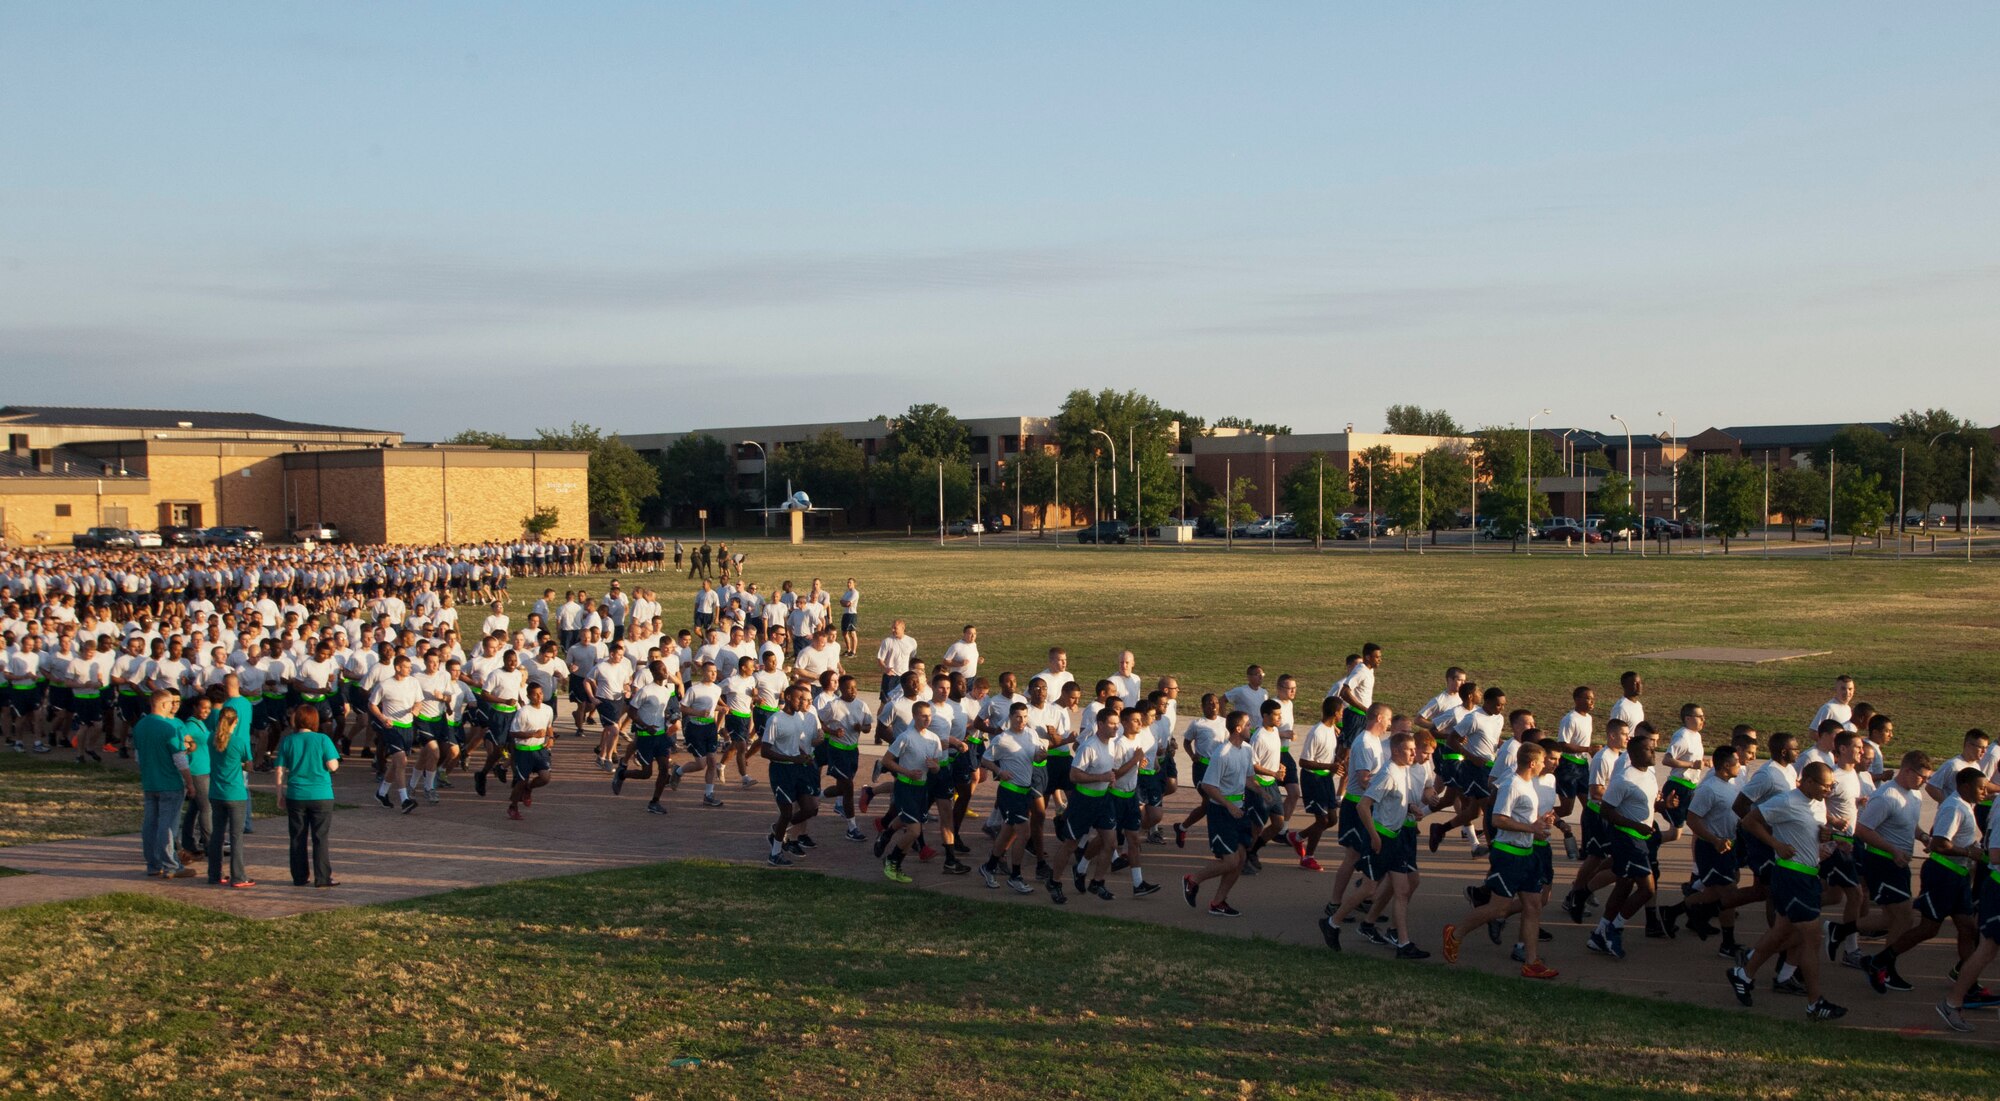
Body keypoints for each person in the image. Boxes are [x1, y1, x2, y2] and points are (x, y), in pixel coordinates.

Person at [1727, 761, 1846, 1020]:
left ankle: (1744, 973)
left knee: (1781, 931)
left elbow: (1808, 834)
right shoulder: (1786, 801)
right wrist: (1776, 844)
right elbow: (1749, 820)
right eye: (1825, 785)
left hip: (1808, 875)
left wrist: (1823, 838)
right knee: (1811, 939)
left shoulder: (1818, 803)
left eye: (1831, 785)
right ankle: (1815, 1003)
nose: (1829, 790)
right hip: (1791, 876)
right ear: (1809, 782)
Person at [1866, 766, 1988, 994]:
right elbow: (1939, 843)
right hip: (1942, 876)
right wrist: (1969, 853)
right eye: (1980, 788)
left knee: (1968, 928)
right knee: (1928, 929)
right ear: (1964, 787)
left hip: (1958, 877)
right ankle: (1880, 960)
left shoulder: (1965, 805)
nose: (1984, 792)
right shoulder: (1953, 807)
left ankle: (1968, 984)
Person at [1444, 742, 1557, 977]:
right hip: (1509, 855)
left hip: (1528, 855)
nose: (1546, 765)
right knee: (1499, 908)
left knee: (1534, 905)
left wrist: (1541, 821)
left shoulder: (1528, 784)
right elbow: (1498, 819)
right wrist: (1530, 827)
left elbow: (1522, 818)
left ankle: (1531, 961)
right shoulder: (1512, 785)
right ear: (1533, 763)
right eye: (1544, 761)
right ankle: (1455, 934)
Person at [1183, 709, 1254, 917]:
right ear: (1238, 729)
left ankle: (1218, 902)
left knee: (1240, 860)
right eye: (1248, 725)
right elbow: (1208, 786)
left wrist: (1265, 792)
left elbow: (1248, 778)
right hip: (1221, 812)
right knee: (1230, 861)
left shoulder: (1247, 750)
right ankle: (1193, 879)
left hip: (1239, 810)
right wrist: (1229, 806)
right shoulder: (1221, 754)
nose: (1251, 728)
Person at [276, 704, 340, 888]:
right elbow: (333, 765)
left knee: (297, 837)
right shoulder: (322, 739)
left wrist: (280, 794)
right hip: (321, 794)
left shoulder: (288, 741)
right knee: (320, 837)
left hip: (296, 794)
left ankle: (299, 876)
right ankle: (322, 877)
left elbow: (280, 769)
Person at [134, 690, 195, 878]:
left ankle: (153, 864)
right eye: (170, 703)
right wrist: (190, 783)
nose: (173, 707)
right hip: (169, 782)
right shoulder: (169, 728)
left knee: (150, 824)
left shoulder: (140, 726)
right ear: (162, 704)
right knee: (167, 826)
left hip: (150, 782)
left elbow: (138, 757)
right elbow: (180, 760)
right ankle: (171, 865)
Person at [204, 685, 255, 887]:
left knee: (217, 834)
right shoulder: (239, 741)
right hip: (235, 793)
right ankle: (238, 875)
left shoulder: (211, 738)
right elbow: (249, 765)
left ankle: (214, 874)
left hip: (216, 791)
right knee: (236, 836)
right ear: (235, 722)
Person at [506, 683, 556, 820]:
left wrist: (550, 738)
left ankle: (529, 788)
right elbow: (513, 733)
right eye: (535, 694)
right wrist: (532, 734)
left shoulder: (547, 709)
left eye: (541, 693)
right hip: (523, 751)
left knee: (545, 777)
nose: (539, 696)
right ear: (529, 696)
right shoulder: (523, 712)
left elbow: (549, 726)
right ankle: (513, 806)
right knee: (521, 781)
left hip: (540, 750)